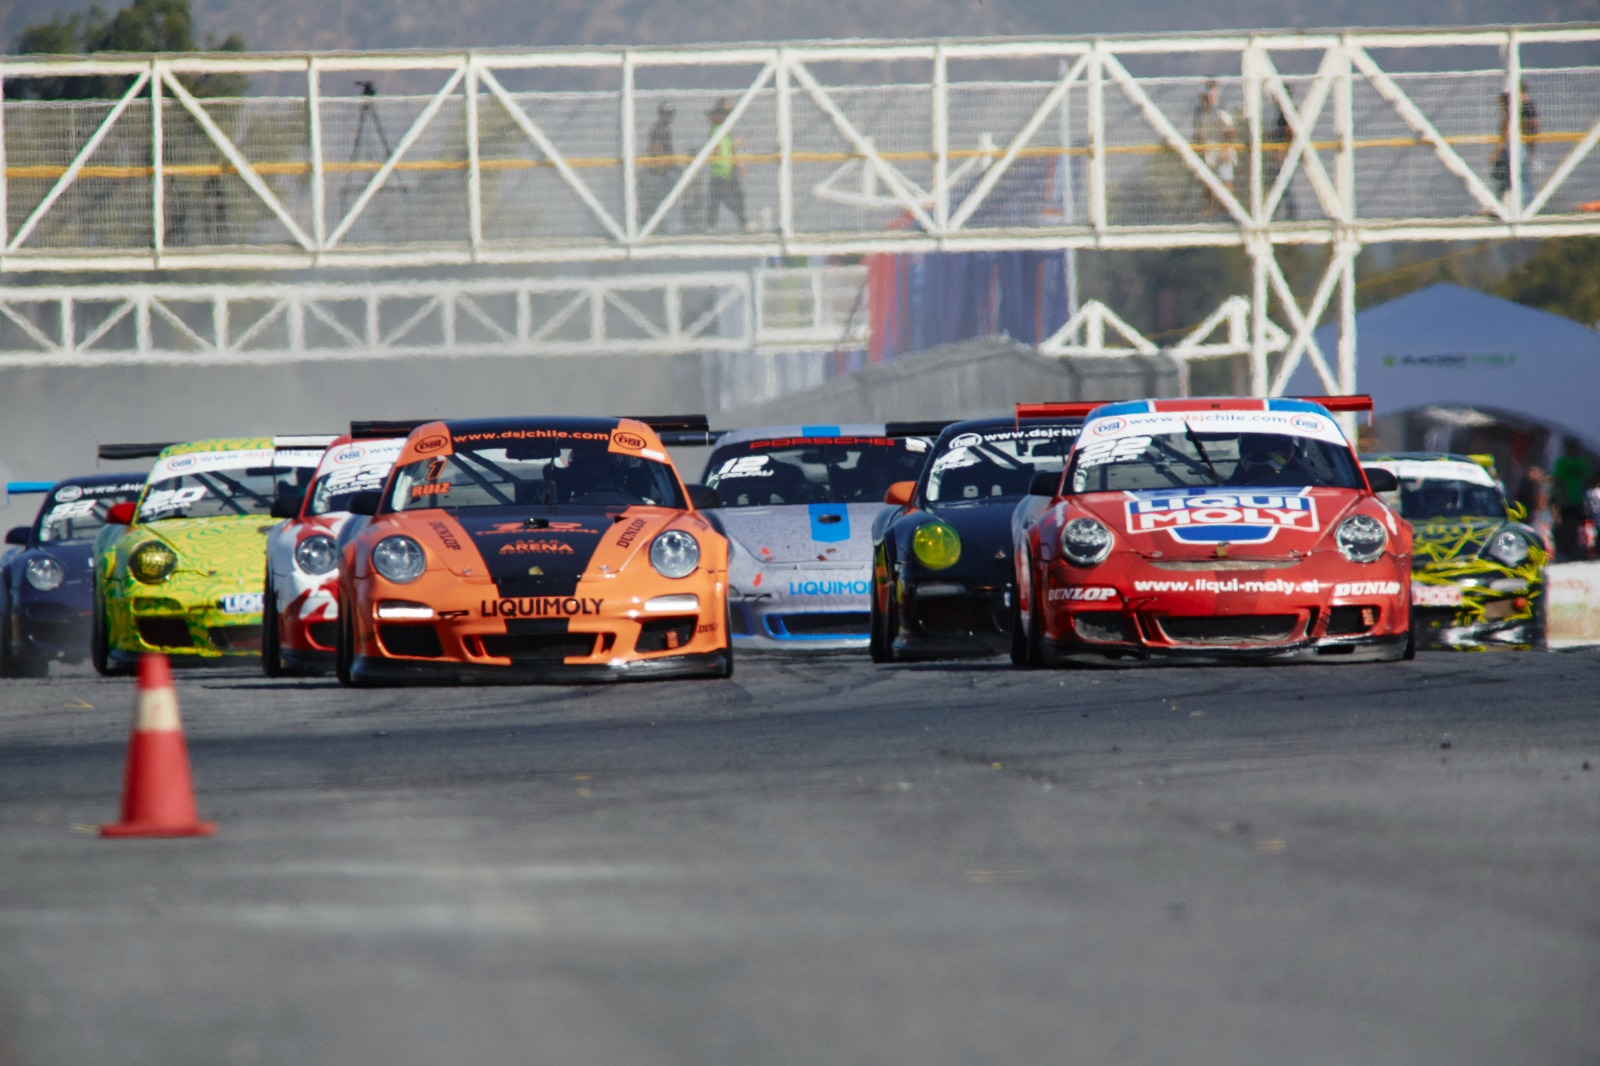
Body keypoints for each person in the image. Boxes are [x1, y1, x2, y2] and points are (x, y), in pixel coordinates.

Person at [1191, 78, 1237, 220]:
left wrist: (1225, 151)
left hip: (1222, 151)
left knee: (1226, 181)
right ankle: (1209, 212)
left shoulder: (1221, 112)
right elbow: (1198, 134)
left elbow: (1230, 133)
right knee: (1208, 183)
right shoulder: (1201, 113)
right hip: (1208, 151)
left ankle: (1230, 210)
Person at [703, 99, 748, 232]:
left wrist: (737, 162)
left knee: (718, 199)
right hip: (719, 171)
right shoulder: (717, 130)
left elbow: (728, 149)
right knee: (719, 199)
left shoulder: (723, 132)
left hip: (725, 170)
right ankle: (714, 224)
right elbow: (716, 149)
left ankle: (713, 225)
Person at [1491, 83, 1541, 203]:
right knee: (1508, 177)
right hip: (1515, 145)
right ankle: (1500, 204)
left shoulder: (1524, 107)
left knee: (1521, 177)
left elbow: (1532, 125)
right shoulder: (1516, 109)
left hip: (1520, 146)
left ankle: (1523, 204)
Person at [640, 102, 679, 231]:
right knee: (661, 201)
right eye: (666, 113)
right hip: (660, 173)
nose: (668, 116)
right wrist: (661, 169)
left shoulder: (665, 128)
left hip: (666, 170)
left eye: (670, 113)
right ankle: (661, 230)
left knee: (666, 201)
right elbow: (656, 149)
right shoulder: (659, 129)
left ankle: (662, 228)